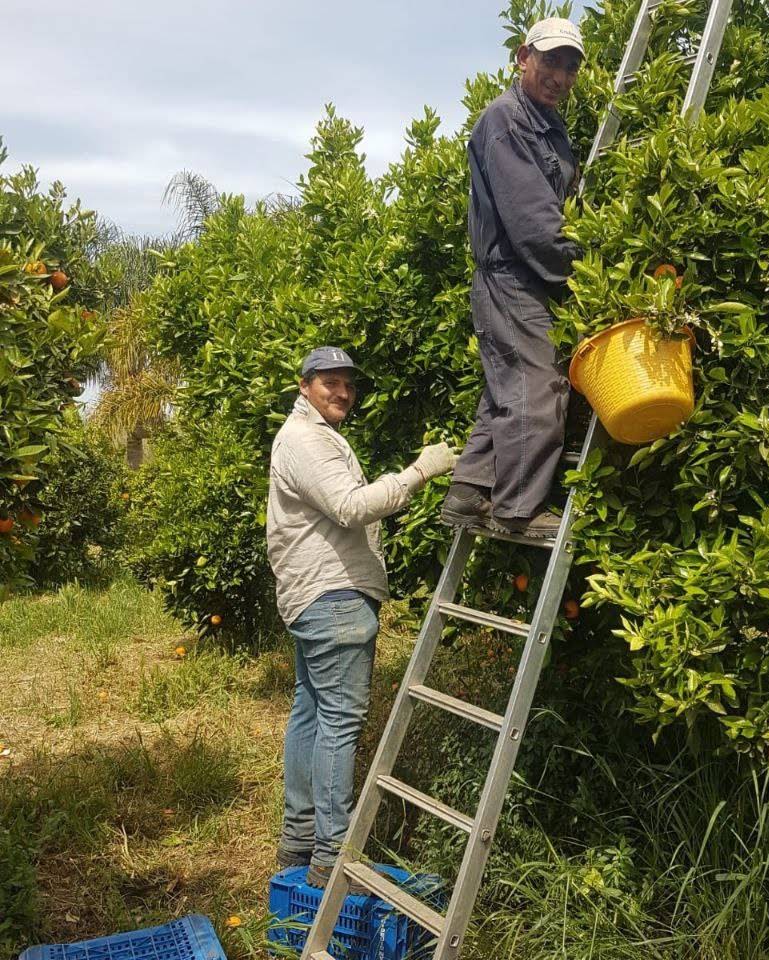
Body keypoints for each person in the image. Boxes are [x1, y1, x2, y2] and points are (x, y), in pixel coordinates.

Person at [267, 346, 456, 888]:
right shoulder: (305, 440)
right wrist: (420, 471)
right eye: (330, 382)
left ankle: (298, 843)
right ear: (304, 386)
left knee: (311, 713)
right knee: (339, 721)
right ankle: (330, 855)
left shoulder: (311, 437)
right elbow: (351, 506)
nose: (343, 392)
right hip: (334, 599)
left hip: (319, 598)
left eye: (348, 383)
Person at [442, 16, 585, 539]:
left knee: (508, 389)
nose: (560, 76)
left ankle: (469, 491)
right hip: (514, 277)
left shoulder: (547, 124)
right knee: (538, 388)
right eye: (551, 61)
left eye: (570, 68)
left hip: (522, 280)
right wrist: (586, 272)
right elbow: (534, 225)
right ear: (523, 56)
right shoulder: (505, 120)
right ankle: (518, 511)